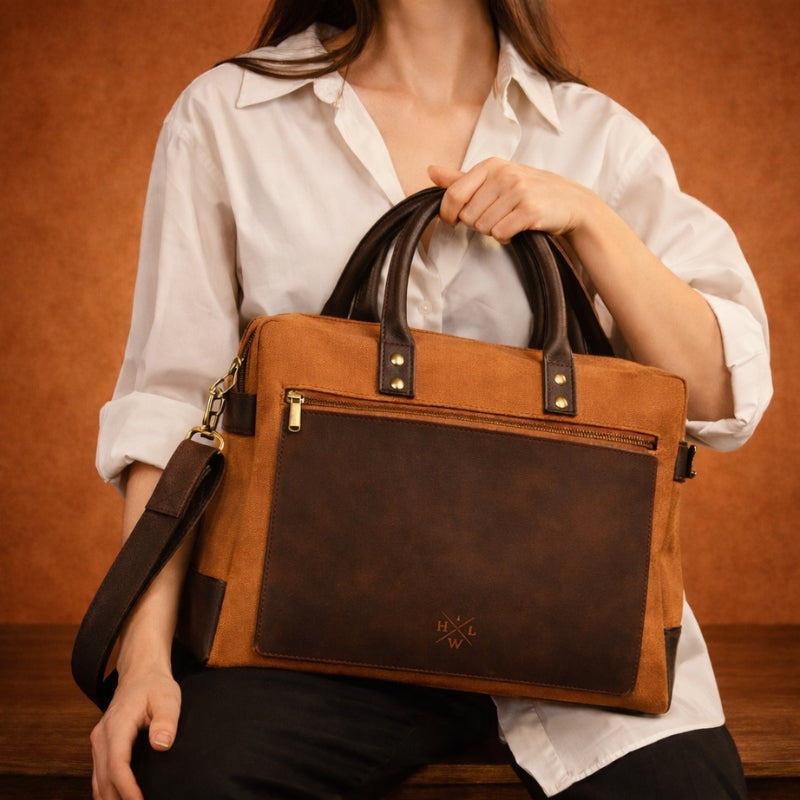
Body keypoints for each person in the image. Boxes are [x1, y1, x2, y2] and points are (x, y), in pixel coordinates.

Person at [90, 1, 772, 798]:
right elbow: (171, 412)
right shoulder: (230, 117)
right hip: (303, 635)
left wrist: (587, 219)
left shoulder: (601, 139)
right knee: (182, 776)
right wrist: (142, 661)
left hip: (576, 649)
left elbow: (725, 394)